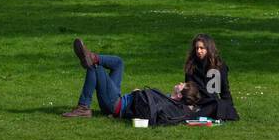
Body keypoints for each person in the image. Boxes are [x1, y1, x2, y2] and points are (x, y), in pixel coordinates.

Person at [62, 39, 200, 120]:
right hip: (119, 98)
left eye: (183, 85)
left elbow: (148, 112)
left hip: (115, 105)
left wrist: (138, 94)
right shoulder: (169, 99)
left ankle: (83, 107)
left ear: (180, 94)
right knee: (118, 63)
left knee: (95, 68)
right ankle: (92, 57)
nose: (181, 83)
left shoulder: (168, 105)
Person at [184, 34, 239, 121]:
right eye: (197, 48)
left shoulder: (219, 66)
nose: (199, 51)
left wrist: (230, 108)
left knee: (219, 105)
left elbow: (224, 90)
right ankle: (192, 115)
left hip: (212, 102)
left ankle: (195, 115)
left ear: (209, 48)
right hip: (196, 102)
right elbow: (189, 89)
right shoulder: (192, 66)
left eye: (202, 48)